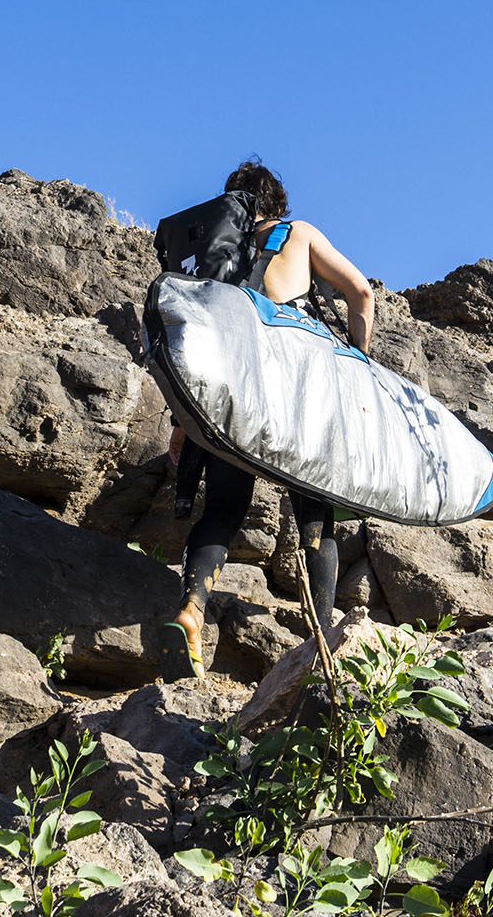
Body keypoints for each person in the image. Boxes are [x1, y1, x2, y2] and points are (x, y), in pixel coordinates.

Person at [161, 159, 375, 680]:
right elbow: (361, 294)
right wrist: (359, 363)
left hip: (233, 393)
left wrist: (182, 425)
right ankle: (321, 642)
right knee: (316, 516)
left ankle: (192, 607)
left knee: (225, 508)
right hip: (295, 391)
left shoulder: (219, 262)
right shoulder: (297, 234)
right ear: (277, 204)